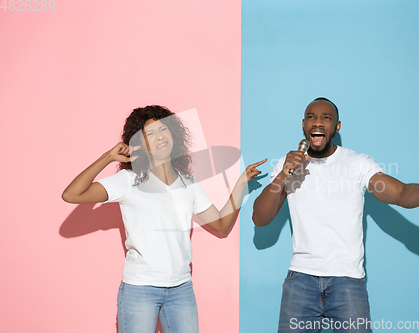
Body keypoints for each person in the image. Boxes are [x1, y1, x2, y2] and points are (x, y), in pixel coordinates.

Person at [252, 97, 419, 333]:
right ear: (304, 125)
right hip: (301, 281)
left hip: (347, 282)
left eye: (326, 118)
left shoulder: (357, 163)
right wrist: (282, 176)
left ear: (337, 126)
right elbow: (260, 218)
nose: (318, 122)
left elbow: (400, 194)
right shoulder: (287, 166)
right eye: (311, 117)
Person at [62, 105, 266, 333]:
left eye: (164, 129)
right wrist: (107, 157)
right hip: (140, 289)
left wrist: (240, 184)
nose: (160, 136)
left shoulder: (188, 181)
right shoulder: (128, 180)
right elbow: (72, 194)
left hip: (181, 289)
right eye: (150, 133)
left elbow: (220, 224)